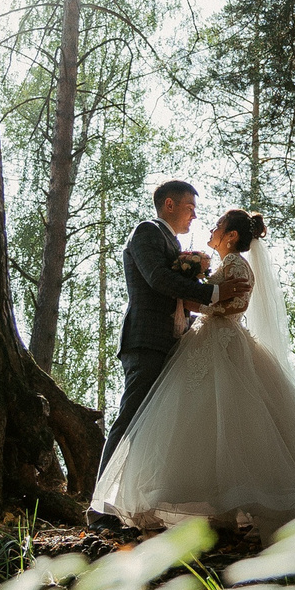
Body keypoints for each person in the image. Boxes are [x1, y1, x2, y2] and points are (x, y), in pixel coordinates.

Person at [91, 206, 295, 534]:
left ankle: (226, 504)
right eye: (193, 210)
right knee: (201, 420)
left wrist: (206, 301)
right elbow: (210, 298)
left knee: (226, 418)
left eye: (217, 224)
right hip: (200, 340)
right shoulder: (216, 261)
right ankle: (200, 505)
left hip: (221, 342)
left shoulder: (235, 264)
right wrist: (203, 298)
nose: (208, 226)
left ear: (231, 235)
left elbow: (236, 304)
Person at [104, 180, 218, 473]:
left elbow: (177, 300)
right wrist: (214, 295)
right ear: (169, 204)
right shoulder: (147, 232)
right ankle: (101, 508)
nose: (194, 216)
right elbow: (158, 279)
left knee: (156, 428)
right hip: (147, 341)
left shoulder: (174, 245)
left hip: (173, 341)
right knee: (130, 420)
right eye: (190, 207)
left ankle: (136, 504)